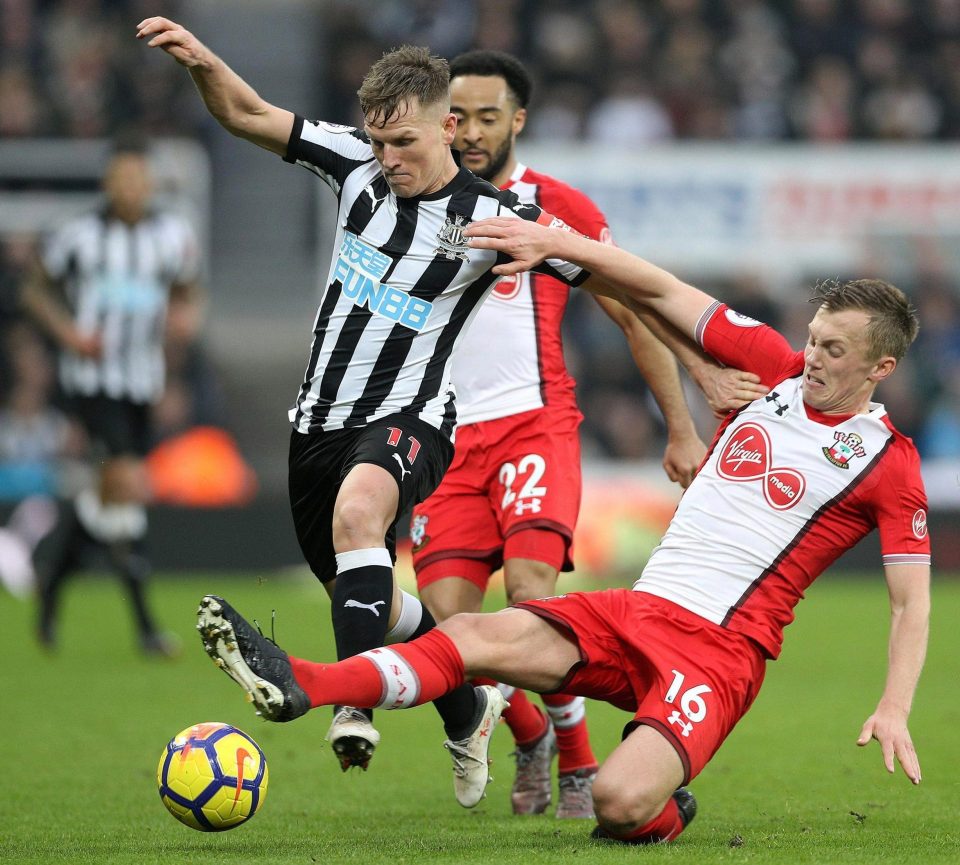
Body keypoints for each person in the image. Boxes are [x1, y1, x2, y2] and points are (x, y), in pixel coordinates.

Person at [193, 246, 929, 844]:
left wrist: (894, 705)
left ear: (880, 368)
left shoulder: (886, 463)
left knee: (618, 802)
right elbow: (661, 287)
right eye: (812, 338)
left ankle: (667, 807)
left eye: (833, 350)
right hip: (637, 608)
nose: (812, 357)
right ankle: (305, 682)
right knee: (473, 632)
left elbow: (909, 603)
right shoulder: (769, 371)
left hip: (718, 651)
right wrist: (560, 247)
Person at [137, 16, 620, 805]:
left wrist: (709, 356)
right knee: (381, 602)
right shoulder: (355, 165)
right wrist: (202, 62)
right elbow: (251, 114)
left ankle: (352, 703)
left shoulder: (493, 218)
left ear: (447, 126)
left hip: (413, 417)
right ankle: (469, 708)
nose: (388, 159)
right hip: (317, 423)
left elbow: (613, 276)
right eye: (379, 141)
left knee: (363, 514)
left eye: (404, 143)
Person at [411, 49, 765, 820]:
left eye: (486, 117)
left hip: (535, 427)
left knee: (534, 597)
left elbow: (632, 306)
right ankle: (534, 731)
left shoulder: (552, 203)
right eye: (456, 117)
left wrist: (684, 414)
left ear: (519, 120)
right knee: (451, 625)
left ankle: (577, 763)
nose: (469, 132)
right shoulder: (414, 203)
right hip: (441, 442)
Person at [21, 139, 202, 657]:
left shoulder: (171, 235)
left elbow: (188, 292)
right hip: (92, 384)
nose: (130, 188)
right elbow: (35, 290)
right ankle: (146, 627)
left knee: (105, 502)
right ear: (108, 182)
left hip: (141, 383)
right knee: (127, 485)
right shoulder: (78, 236)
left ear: (149, 184)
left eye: (138, 179)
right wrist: (68, 333)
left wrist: (184, 329)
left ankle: (53, 583)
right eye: (121, 179)